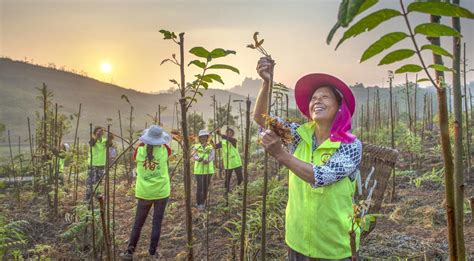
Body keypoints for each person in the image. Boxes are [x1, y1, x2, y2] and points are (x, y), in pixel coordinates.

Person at [255, 57, 362, 260]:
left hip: (334, 247)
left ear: (340, 106)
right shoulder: (297, 135)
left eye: (325, 97)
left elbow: (321, 176)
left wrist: (280, 154)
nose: (317, 101)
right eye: (314, 98)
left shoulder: (350, 145)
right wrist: (266, 83)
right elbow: (262, 118)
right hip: (297, 240)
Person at [121, 125, 172, 259]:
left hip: (144, 192)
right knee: (157, 222)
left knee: (138, 223)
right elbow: (167, 146)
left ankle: (129, 253)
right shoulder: (164, 150)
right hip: (161, 192)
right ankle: (152, 252)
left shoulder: (139, 150)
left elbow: (136, 155)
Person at [85, 126, 112, 201]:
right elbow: (92, 144)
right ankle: (87, 200)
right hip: (92, 165)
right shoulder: (92, 139)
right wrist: (96, 136)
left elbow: (109, 144)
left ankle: (97, 200)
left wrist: (110, 138)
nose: (100, 133)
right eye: (97, 132)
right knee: (90, 183)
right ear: (94, 133)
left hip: (101, 165)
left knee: (98, 183)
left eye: (101, 132)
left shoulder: (104, 140)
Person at [191, 129, 215, 210]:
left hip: (208, 170)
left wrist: (207, 160)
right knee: (200, 187)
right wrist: (199, 159)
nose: (203, 138)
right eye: (202, 137)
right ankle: (199, 203)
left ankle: (203, 201)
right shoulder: (196, 146)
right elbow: (194, 155)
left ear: (207, 137)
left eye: (205, 137)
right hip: (199, 170)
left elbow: (212, 155)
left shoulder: (210, 146)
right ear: (199, 138)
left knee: (205, 187)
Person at [216, 128, 243, 193]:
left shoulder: (234, 140)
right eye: (227, 132)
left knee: (240, 179)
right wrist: (209, 139)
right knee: (227, 179)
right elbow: (215, 146)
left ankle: (239, 192)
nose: (229, 134)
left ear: (232, 134)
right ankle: (227, 193)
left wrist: (220, 134)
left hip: (237, 162)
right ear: (226, 133)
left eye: (231, 133)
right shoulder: (223, 142)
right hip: (228, 163)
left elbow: (228, 138)